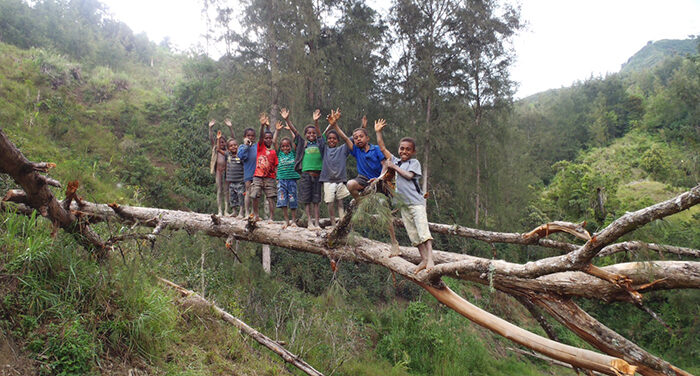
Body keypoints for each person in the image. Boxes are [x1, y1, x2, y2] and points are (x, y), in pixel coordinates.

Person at [335, 112, 400, 255]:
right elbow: (345, 138)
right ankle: (361, 203)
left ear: (367, 138)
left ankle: (394, 243)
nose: (358, 139)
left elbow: (385, 165)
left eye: (361, 137)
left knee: (384, 209)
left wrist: (379, 178)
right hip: (364, 179)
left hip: (379, 181)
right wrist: (335, 125)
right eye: (356, 138)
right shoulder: (356, 151)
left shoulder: (376, 149)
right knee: (351, 184)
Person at [375, 119, 434, 272]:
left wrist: (393, 166)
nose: (404, 152)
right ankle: (424, 260)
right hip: (403, 205)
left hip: (416, 203)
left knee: (423, 231)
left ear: (413, 152)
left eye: (408, 149)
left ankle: (431, 260)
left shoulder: (414, 163)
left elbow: (408, 176)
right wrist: (378, 132)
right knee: (413, 235)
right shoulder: (396, 160)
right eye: (402, 149)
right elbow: (382, 147)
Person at [283, 108, 325, 229]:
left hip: (318, 175)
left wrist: (316, 122)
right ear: (305, 135)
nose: (311, 135)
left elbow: (320, 135)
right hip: (306, 175)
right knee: (307, 200)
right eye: (309, 133)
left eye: (313, 133)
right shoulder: (303, 144)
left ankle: (317, 223)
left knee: (316, 201)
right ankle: (310, 222)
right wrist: (287, 120)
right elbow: (295, 132)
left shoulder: (320, 144)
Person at [320, 110, 351, 227]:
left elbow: (349, 139)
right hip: (327, 180)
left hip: (340, 180)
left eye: (334, 138)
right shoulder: (324, 150)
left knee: (340, 202)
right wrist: (331, 124)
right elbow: (320, 137)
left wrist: (335, 126)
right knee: (330, 202)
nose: (331, 140)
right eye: (329, 138)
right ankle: (333, 223)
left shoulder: (342, 149)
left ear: (338, 141)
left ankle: (342, 222)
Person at [249, 113, 278, 221]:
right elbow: (261, 137)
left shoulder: (274, 152)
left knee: (271, 197)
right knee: (255, 195)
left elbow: (276, 165)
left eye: (270, 138)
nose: (268, 140)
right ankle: (256, 215)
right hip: (258, 176)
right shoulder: (260, 147)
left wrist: (276, 177)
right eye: (266, 138)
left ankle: (271, 217)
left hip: (269, 177)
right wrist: (262, 126)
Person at [272, 119, 300, 228]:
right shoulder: (279, 154)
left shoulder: (293, 153)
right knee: (282, 200)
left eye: (287, 146)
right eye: (283, 146)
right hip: (281, 180)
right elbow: (274, 142)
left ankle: (293, 221)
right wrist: (277, 131)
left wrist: (290, 130)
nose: (285, 148)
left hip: (292, 180)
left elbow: (295, 139)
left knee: (292, 200)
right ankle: (286, 220)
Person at [208, 119, 235, 216]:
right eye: (221, 142)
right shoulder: (216, 149)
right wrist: (210, 128)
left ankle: (226, 210)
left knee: (226, 190)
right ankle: (219, 210)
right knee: (219, 190)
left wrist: (230, 127)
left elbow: (233, 138)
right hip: (218, 171)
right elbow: (211, 139)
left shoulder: (227, 151)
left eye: (224, 142)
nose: (222, 144)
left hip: (227, 172)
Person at [223, 119, 245, 217]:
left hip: (240, 181)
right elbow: (227, 143)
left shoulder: (240, 155)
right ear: (228, 148)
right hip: (231, 181)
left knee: (241, 196)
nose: (233, 147)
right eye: (231, 146)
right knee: (232, 197)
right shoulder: (227, 155)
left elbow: (233, 138)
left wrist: (230, 127)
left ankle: (241, 212)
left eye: (235, 145)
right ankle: (234, 212)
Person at [237, 125, 258, 216]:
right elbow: (240, 156)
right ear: (244, 137)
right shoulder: (242, 147)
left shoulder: (256, 146)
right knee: (248, 191)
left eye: (252, 136)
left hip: (257, 173)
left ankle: (254, 213)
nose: (250, 137)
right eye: (248, 135)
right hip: (248, 173)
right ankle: (247, 212)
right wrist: (246, 145)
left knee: (256, 193)